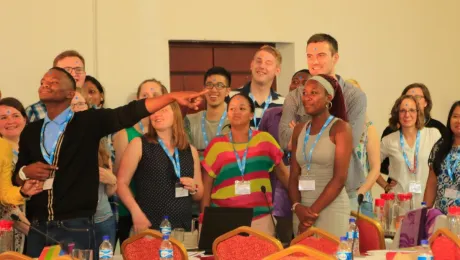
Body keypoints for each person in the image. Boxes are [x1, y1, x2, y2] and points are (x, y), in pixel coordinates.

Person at [13, 67, 206, 257]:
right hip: (37, 226)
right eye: (43, 82)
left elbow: (129, 112)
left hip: (75, 226)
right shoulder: (31, 130)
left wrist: (172, 97)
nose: (45, 84)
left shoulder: (88, 121)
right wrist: (25, 173)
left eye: (53, 82)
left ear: (70, 93)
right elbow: (17, 176)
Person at [279, 34, 367, 212]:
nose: (314, 62)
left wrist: (300, 132)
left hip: (343, 187)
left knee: (340, 239)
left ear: (335, 58)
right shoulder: (295, 96)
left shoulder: (354, 96)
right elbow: (284, 139)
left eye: (321, 55)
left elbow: (350, 141)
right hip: (305, 187)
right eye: (309, 56)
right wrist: (329, 137)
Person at [201, 93, 289, 236]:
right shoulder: (216, 145)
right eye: (232, 109)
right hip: (223, 218)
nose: (236, 112)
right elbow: (207, 185)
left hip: (260, 218)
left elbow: (284, 175)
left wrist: (299, 202)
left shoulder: (265, 140)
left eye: (242, 108)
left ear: (251, 115)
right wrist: (203, 216)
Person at [118, 101, 203, 233]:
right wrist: (136, 213)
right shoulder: (139, 144)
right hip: (149, 227)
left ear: (176, 114)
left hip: (183, 230)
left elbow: (199, 194)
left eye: (163, 110)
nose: (157, 115)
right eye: (154, 111)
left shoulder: (190, 150)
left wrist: (194, 188)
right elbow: (121, 183)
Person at [289, 75, 352, 238]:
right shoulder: (298, 130)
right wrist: (297, 207)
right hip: (302, 209)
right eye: (305, 93)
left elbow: (339, 179)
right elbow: (294, 175)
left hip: (330, 209)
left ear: (328, 98)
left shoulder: (340, 128)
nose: (307, 98)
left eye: (314, 93)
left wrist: (310, 214)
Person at [111, 78, 168, 247]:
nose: (150, 98)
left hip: (162, 209)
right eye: (145, 95)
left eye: (155, 95)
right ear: (137, 101)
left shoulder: (168, 133)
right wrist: (136, 207)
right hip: (131, 210)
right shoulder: (124, 134)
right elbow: (118, 177)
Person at [258, 69, 311, 243]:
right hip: (277, 188)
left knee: (305, 241)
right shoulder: (271, 115)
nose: (297, 86)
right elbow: (260, 149)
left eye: (303, 83)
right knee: (281, 241)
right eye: (295, 81)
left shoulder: (317, 121)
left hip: (309, 188)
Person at [70, 92, 117, 258]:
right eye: (72, 105)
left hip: (103, 221)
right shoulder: (56, 143)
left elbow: (109, 192)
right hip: (73, 223)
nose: (76, 109)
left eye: (81, 104)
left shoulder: (100, 140)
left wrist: (112, 181)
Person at [377, 95, 441, 208]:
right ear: (397, 114)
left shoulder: (433, 135)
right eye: (402, 111)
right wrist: (385, 185)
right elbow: (370, 165)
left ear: (418, 113)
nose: (407, 115)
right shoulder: (389, 140)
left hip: (426, 202)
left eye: (411, 110)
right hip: (398, 203)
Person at [380, 83, 447, 183]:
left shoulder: (436, 131)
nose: (407, 115)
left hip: (426, 193)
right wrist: (388, 180)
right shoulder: (390, 133)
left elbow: (444, 163)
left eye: (417, 97)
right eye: (403, 111)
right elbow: (377, 164)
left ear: (425, 102)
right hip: (399, 192)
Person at [0, 98, 42, 253]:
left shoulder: (38, 147)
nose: (10, 121)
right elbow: (5, 203)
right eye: (3, 118)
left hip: (43, 221)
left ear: (25, 119)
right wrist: (32, 231)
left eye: (15, 115)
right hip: (14, 230)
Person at [346, 79, 380, 218]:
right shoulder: (334, 126)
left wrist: (361, 192)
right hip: (336, 198)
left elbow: (375, 167)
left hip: (361, 199)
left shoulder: (368, 128)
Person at [230, 45, 285, 129]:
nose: (262, 66)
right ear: (251, 65)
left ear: (277, 70)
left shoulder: (283, 104)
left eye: (268, 63)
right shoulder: (231, 98)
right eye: (259, 61)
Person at [25, 50, 87, 123]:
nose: (73, 74)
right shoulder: (35, 111)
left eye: (78, 70)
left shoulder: (95, 109)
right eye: (67, 70)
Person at [184, 67, 231, 158]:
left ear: (227, 91)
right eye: (209, 85)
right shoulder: (189, 121)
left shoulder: (235, 122)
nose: (213, 90)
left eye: (220, 85)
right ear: (203, 89)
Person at [424, 101, 460, 214]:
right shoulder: (440, 146)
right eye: (455, 116)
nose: (458, 121)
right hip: (440, 217)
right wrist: (424, 211)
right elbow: (432, 182)